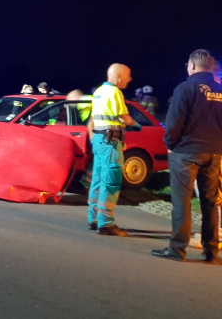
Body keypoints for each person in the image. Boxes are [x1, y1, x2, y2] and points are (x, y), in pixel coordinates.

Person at [152, 50, 222, 263]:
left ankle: (177, 248)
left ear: (191, 66)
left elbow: (174, 122)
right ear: (211, 68)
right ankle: (211, 251)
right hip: (214, 152)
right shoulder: (220, 90)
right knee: (210, 202)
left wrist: (170, 145)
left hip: (186, 152)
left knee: (181, 201)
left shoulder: (185, 88)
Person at [87, 64, 140, 237]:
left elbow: (100, 117)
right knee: (111, 182)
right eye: (128, 76)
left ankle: (93, 218)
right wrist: (135, 124)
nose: (130, 79)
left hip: (99, 139)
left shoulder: (100, 91)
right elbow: (124, 117)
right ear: (118, 76)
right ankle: (107, 224)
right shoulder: (115, 92)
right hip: (110, 142)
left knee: (98, 179)